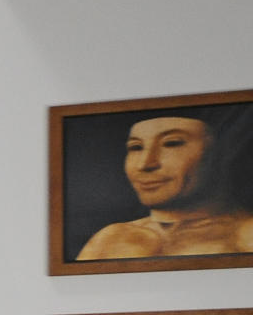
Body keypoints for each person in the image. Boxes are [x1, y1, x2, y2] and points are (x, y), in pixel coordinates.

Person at [75, 110, 253, 262]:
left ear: (217, 155)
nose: (145, 164)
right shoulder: (109, 238)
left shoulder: (245, 237)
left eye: (172, 143)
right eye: (136, 147)